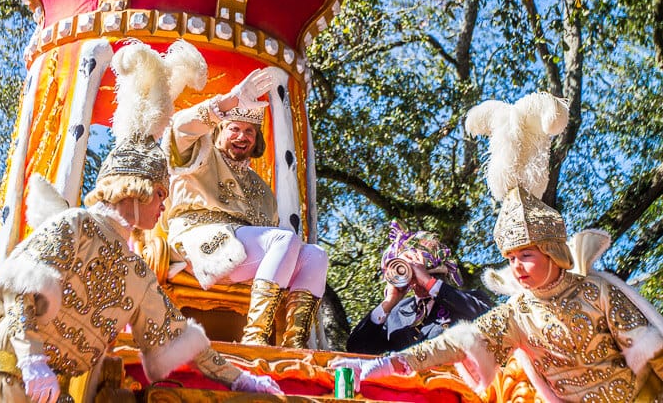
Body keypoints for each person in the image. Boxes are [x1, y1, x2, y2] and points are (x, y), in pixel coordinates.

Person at [0, 40, 281, 402]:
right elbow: (19, 291)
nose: (164, 207)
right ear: (139, 189)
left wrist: (244, 379)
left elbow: (180, 339)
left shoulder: (137, 274)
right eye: (161, 195)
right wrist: (32, 364)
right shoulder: (76, 224)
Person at [331, 92, 663, 402]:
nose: (516, 266)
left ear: (552, 251)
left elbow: (656, 355)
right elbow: (453, 344)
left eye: (526, 255)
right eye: (511, 257)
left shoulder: (597, 291)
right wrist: (382, 365)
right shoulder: (518, 313)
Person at [162, 67, 328, 348]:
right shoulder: (201, 155)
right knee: (284, 238)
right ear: (219, 131)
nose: (242, 136)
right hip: (196, 241)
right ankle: (255, 338)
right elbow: (178, 129)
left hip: (240, 255)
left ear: (257, 139)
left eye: (249, 131)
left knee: (315, 255)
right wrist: (228, 102)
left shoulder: (263, 190)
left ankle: (294, 343)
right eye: (234, 128)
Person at [345, 221, 491, 355]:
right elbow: (357, 348)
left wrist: (430, 283)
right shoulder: (397, 313)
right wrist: (389, 302)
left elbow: (489, 321)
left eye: (418, 272)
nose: (415, 280)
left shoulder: (470, 299)